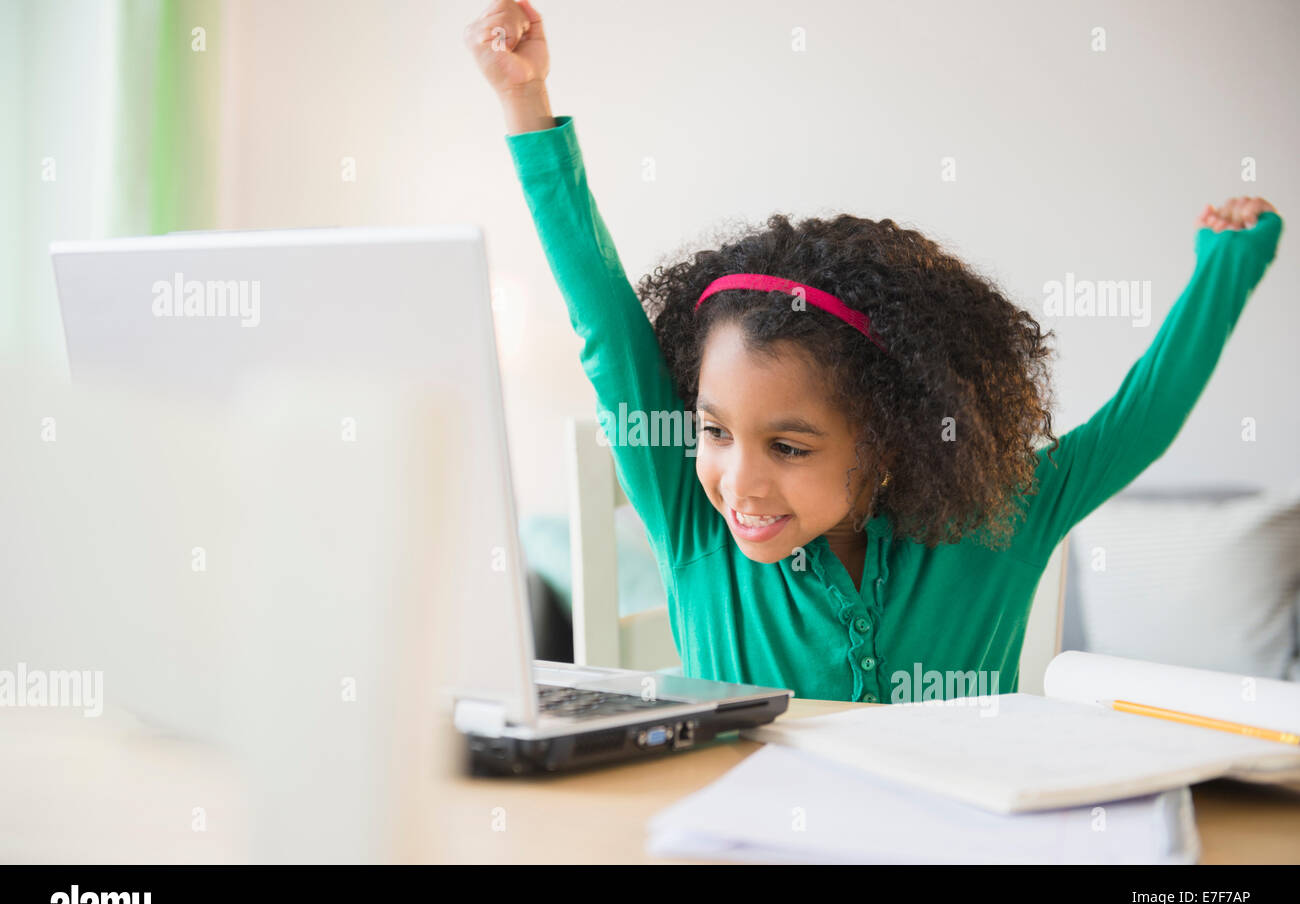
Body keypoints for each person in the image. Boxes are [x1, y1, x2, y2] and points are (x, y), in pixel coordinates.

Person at [463, 0, 1284, 702]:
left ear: (891, 435)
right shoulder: (693, 525)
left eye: (787, 445)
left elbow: (1140, 417)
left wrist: (1227, 269)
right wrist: (525, 104)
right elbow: (607, 330)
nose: (739, 481)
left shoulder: (1002, 516)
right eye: (716, 432)